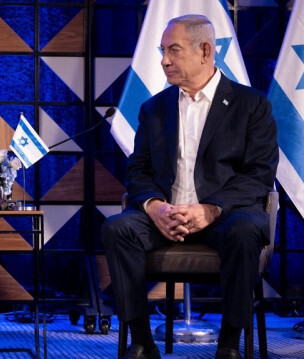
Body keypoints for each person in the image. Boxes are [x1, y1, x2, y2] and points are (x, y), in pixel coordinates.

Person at [101, 14, 278, 359]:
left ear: (205, 51)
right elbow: (137, 171)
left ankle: (228, 345)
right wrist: (156, 207)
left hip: (227, 215)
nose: (164, 60)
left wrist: (210, 209)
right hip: (166, 215)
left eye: (173, 50)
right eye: (162, 50)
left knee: (244, 232)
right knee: (117, 228)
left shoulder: (251, 104)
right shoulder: (154, 108)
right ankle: (141, 341)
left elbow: (258, 174)